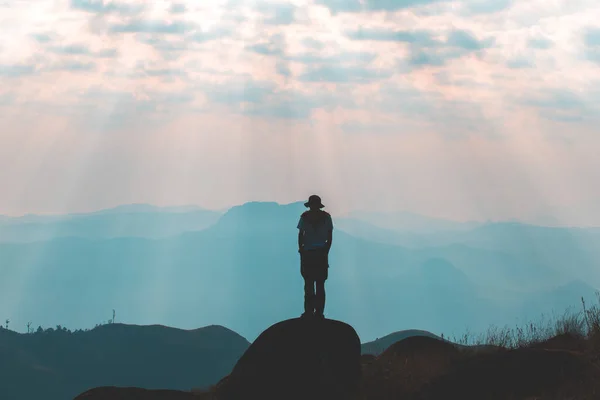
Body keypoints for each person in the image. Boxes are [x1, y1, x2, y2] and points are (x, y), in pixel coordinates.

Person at [297, 195, 333, 319]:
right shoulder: (327, 217)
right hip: (321, 254)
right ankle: (319, 312)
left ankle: (308, 312)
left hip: (308, 253)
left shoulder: (304, 217)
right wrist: (326, 251)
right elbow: (330, 236)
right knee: (320, 284)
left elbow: (300, 234)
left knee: (308, 284)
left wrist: (301, 250)